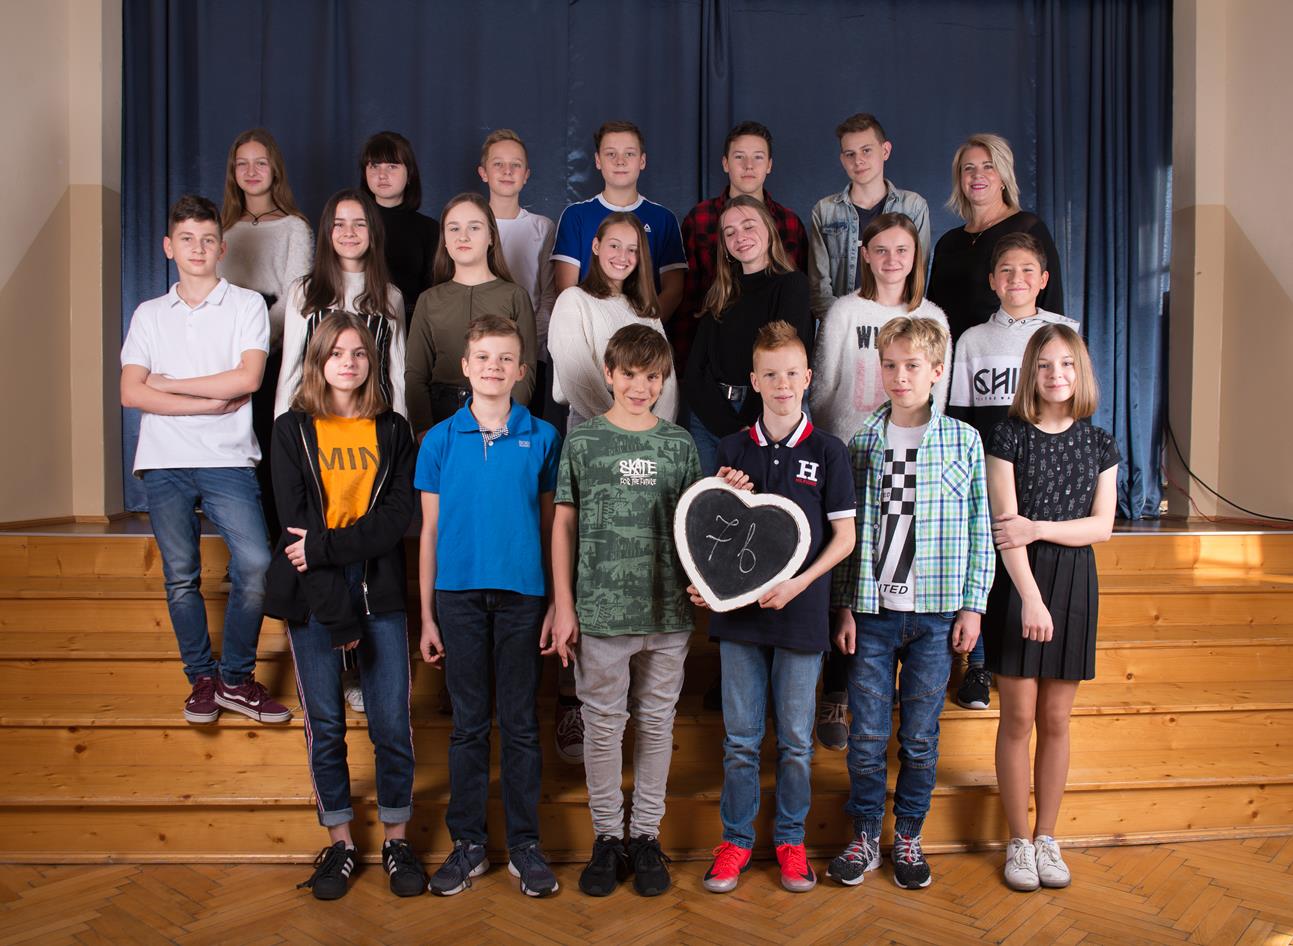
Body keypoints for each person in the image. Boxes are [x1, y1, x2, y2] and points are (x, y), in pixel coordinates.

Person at [828, 317, 993, 891]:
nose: (900, 376)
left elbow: (980, 528)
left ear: (937, 371)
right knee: (867, 737)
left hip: (936, 614)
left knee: (920, 738)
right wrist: (844, 606)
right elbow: (847, 534)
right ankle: (864, 835)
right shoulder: (862, 442)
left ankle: (908, 836)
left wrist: (973, 606)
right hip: (872, 614)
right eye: (890, 365)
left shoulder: (963, 441)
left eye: (913, 366)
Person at [265, 313, 422, 901]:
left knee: (391, 724)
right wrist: (337, 615)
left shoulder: (394, 429)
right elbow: (296, 527)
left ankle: (397, 840)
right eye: (337, 353)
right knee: (326, 724)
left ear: (371, 362)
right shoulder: (291, 429)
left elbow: (394, 520)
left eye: (358, 353)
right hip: (314, 595)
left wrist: (327, 547)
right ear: (319, 360)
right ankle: (341, 843)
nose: (348, 363)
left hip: (378, 586)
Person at [696, 321, 856, 895]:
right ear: (754, 380)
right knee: (740, 741)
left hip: (801, 614)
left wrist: (800, 584)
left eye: (791, 373)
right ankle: (736, 842)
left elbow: (844, 539)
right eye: (771, 374)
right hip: (741, 617)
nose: (782, 384)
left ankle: (791, 841)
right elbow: (712, 530)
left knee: (794, 741)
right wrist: (724, 496)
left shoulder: (828, 451)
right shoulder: (732, 449)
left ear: (808, 377)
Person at [120, 194, 288, 726]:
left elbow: (248, 379)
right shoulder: (149, 314)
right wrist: (208, 401)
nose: (198, 248)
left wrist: (168, 385)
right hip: (164, 460)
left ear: (222, 247)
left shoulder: (246, 305)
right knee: (180, 576)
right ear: (169, 247)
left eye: (208, 239)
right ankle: (202, 680)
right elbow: (131, 392)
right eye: (187, 239)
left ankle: (235, 678)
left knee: (256, 563)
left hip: (228, 459)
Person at [415, 316, 563, 899]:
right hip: (457, 597)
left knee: (521, 724)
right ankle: (469, 843)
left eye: (505, 358)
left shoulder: (543, 437)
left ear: (522, 370)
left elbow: (551, 528)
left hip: (524, 596)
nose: (494, 367)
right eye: (483, 357)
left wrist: (555, 602)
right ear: (465, 367)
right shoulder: (439, 439)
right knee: (469, 725)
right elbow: (429, 532)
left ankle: (525, 844)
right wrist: (427, 615)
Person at [550, 324, 700, 898]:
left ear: (664, 381)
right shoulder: (584, 442)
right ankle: (607, 838)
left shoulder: (679, 445)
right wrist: (565, 605)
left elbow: (697, 524)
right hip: (600, 611)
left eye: (653, 376)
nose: (641, 387)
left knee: (657, 723)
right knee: (603, 726)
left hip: (667, 611)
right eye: (630, 375)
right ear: (609, 375)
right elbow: (563, 524)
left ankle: (646, 836)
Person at [808, 212, 951, 749]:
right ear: (865, 255)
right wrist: (836, 448)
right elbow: (823, 387)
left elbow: (941, 392)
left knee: (896, 570)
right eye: (882, 250)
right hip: (853, 454)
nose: (892, 260)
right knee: (848, 569)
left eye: (902, 250)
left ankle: (892, 689)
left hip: (911, 459)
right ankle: (837, 690)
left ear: (916, 257)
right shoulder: (845, 311)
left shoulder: (932, 316)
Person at [985, 326, 1118, 893]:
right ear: (1030, 373)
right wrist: (1032, 599)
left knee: (1057, 720)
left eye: (1066, 364)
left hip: (1076, 582)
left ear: (1080, 370)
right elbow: (1005, 529)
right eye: (1044, 364)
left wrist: (1038, 527)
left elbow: (1102, 527)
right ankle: (1018, 841)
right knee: (1018, 718)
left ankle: (1047, 838)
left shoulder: (1101, 443)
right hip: (1020, 582)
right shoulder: (1008, 435)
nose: (1056, 374)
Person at [946, 232, 1079, 711]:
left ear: (1043, 279)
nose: (1016, 279)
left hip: (1045, 471)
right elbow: (961, 414)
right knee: (988, 564)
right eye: (1006, 270)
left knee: (1038, 562)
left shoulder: (1065, 331)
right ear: (991, 281)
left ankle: (1036, 653)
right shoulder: (973, 339)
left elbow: (1077, 405)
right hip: (990, 470)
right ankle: (980, 665)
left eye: (1027, 270)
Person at [218, 128, 314, 535]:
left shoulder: (295, 227)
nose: (252, 171)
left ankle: (277, 540)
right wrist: (231, 347)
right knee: (230, 447)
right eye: (242, 164)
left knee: (271, 444)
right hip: (226, 352)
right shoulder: (222, 229)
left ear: (275, 169)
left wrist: (257, 344)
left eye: (261, 162)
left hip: (274, 351)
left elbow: (296, 296)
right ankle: (241, 538)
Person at [683, 196, 812, 477]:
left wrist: (751, 428)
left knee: (774, 499)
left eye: (749, 226)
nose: (740, 237)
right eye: (729, 233)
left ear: (769, 230)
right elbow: (695, 372)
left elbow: (782, 364)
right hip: (710, 418)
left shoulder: (792, 286)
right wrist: (732, 430)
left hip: (770, 412)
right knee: (713, 501)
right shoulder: (720, 294)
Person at [676, 121, 808, 368]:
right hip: (712, 359)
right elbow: (687, 301)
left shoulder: (789, 223)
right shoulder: (699, 218)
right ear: (725, 163)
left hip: (773, 364)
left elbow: (800, 309)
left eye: (758, 157)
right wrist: (688, 367)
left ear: (769, 165)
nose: (749, 166)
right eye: (739, 157)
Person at [406, 193, 538, 435]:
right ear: (444, 240)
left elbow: (526, 367)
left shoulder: (514, 296)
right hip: (441, 416)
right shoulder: (428, 300)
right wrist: (423, 429)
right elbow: (415, 374)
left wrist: (507, 421)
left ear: (491, 237)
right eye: (453, 228)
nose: (463, 236)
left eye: (474, 227)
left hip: (500, 411)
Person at [275, 189, 407, 421]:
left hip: (375, 421)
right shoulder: (304, 291)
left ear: (374, 231)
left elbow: (397, 376)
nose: (349, 232)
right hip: (316, 421)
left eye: (360, 224)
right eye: (339, 224)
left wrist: (401, 430)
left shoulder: (390, 295)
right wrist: (282, 428)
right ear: (328, 231)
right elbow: (291, 370)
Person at [927, 133, 1065, 345]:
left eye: (988, 166)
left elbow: (1051, 304)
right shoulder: (948, 242)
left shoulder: (1027, 228)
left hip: (1007, 357)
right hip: (950, 358)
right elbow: (932, 313)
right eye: (968, 168)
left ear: (1003, 177)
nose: (977, 175)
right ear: (960, 179)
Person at [549, 212, 679, 431]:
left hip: (647, 424)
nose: (622, 256)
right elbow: (577, 377)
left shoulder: (645, 310)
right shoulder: (573, 300)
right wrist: (620, 428)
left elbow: (668, 379)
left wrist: (657, 430)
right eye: (614, 246)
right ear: (596, 246)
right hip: (593, 422)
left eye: (632, 249)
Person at [551, 120, 687, 321]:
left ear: (642, 161)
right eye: (611, 154)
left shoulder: (663, 219)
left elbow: (673, 290)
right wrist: (592, 328)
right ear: (598, 160)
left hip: (645, 333)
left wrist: (644, 329)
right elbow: (565, 288)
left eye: (629, 154)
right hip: (590, 329)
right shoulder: (575, 216)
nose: (620, 161)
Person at [808, 113, 930, 321]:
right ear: (842, 160)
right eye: (850, 154)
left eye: (866, 150)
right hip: (842, 325)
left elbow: (918, 276)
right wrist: (847, 324)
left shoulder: (913, 207)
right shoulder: (825, 211)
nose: (858, 161)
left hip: (896, 326)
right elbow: (819, 288)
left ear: (885, 151)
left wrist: (894, 324)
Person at [478, 129, 557, 417]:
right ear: (483, 173)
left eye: (516, 165)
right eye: (498, 164)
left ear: (526, 175)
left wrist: (524, 345)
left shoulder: (542, 227)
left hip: (528, 354)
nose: (507, 171)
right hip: (478, 356)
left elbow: (548, 297)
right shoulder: (468, 224)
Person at [358, 130, 440, 323]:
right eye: (374, 166)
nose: (382, 175)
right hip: (357, 325)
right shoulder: (351, 225)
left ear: (409, 173)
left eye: (392, 166)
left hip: (411, 325)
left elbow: (434, 293)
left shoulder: (429, 229)